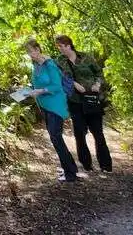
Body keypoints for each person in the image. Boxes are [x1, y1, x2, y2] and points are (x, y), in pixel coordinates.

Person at [55, 34, 113, 174]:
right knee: (80, 134)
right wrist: (74, 84)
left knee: (98, 133)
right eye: (58, 47)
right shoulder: (59, 61)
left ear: (68, 45)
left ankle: (106, 165)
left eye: (61, 46)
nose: (59, 49)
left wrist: (97, 84)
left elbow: (99, 73)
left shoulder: (86, 57)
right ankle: (86, 165)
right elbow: (60, 78)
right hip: (75, 101)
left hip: (92, 99)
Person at [24, 38, 79, 183]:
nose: (30, 55)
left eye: (31, 51)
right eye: (28, 52)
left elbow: (56, 86)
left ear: (38, 49)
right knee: (55, 138)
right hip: (44, 105)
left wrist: (41, 91)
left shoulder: (50, 64)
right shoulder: (36, 65)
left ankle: (70, 173)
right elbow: (36, 83)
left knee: (56, 137)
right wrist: (29, 92)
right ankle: (69, 168)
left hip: (56, 105)